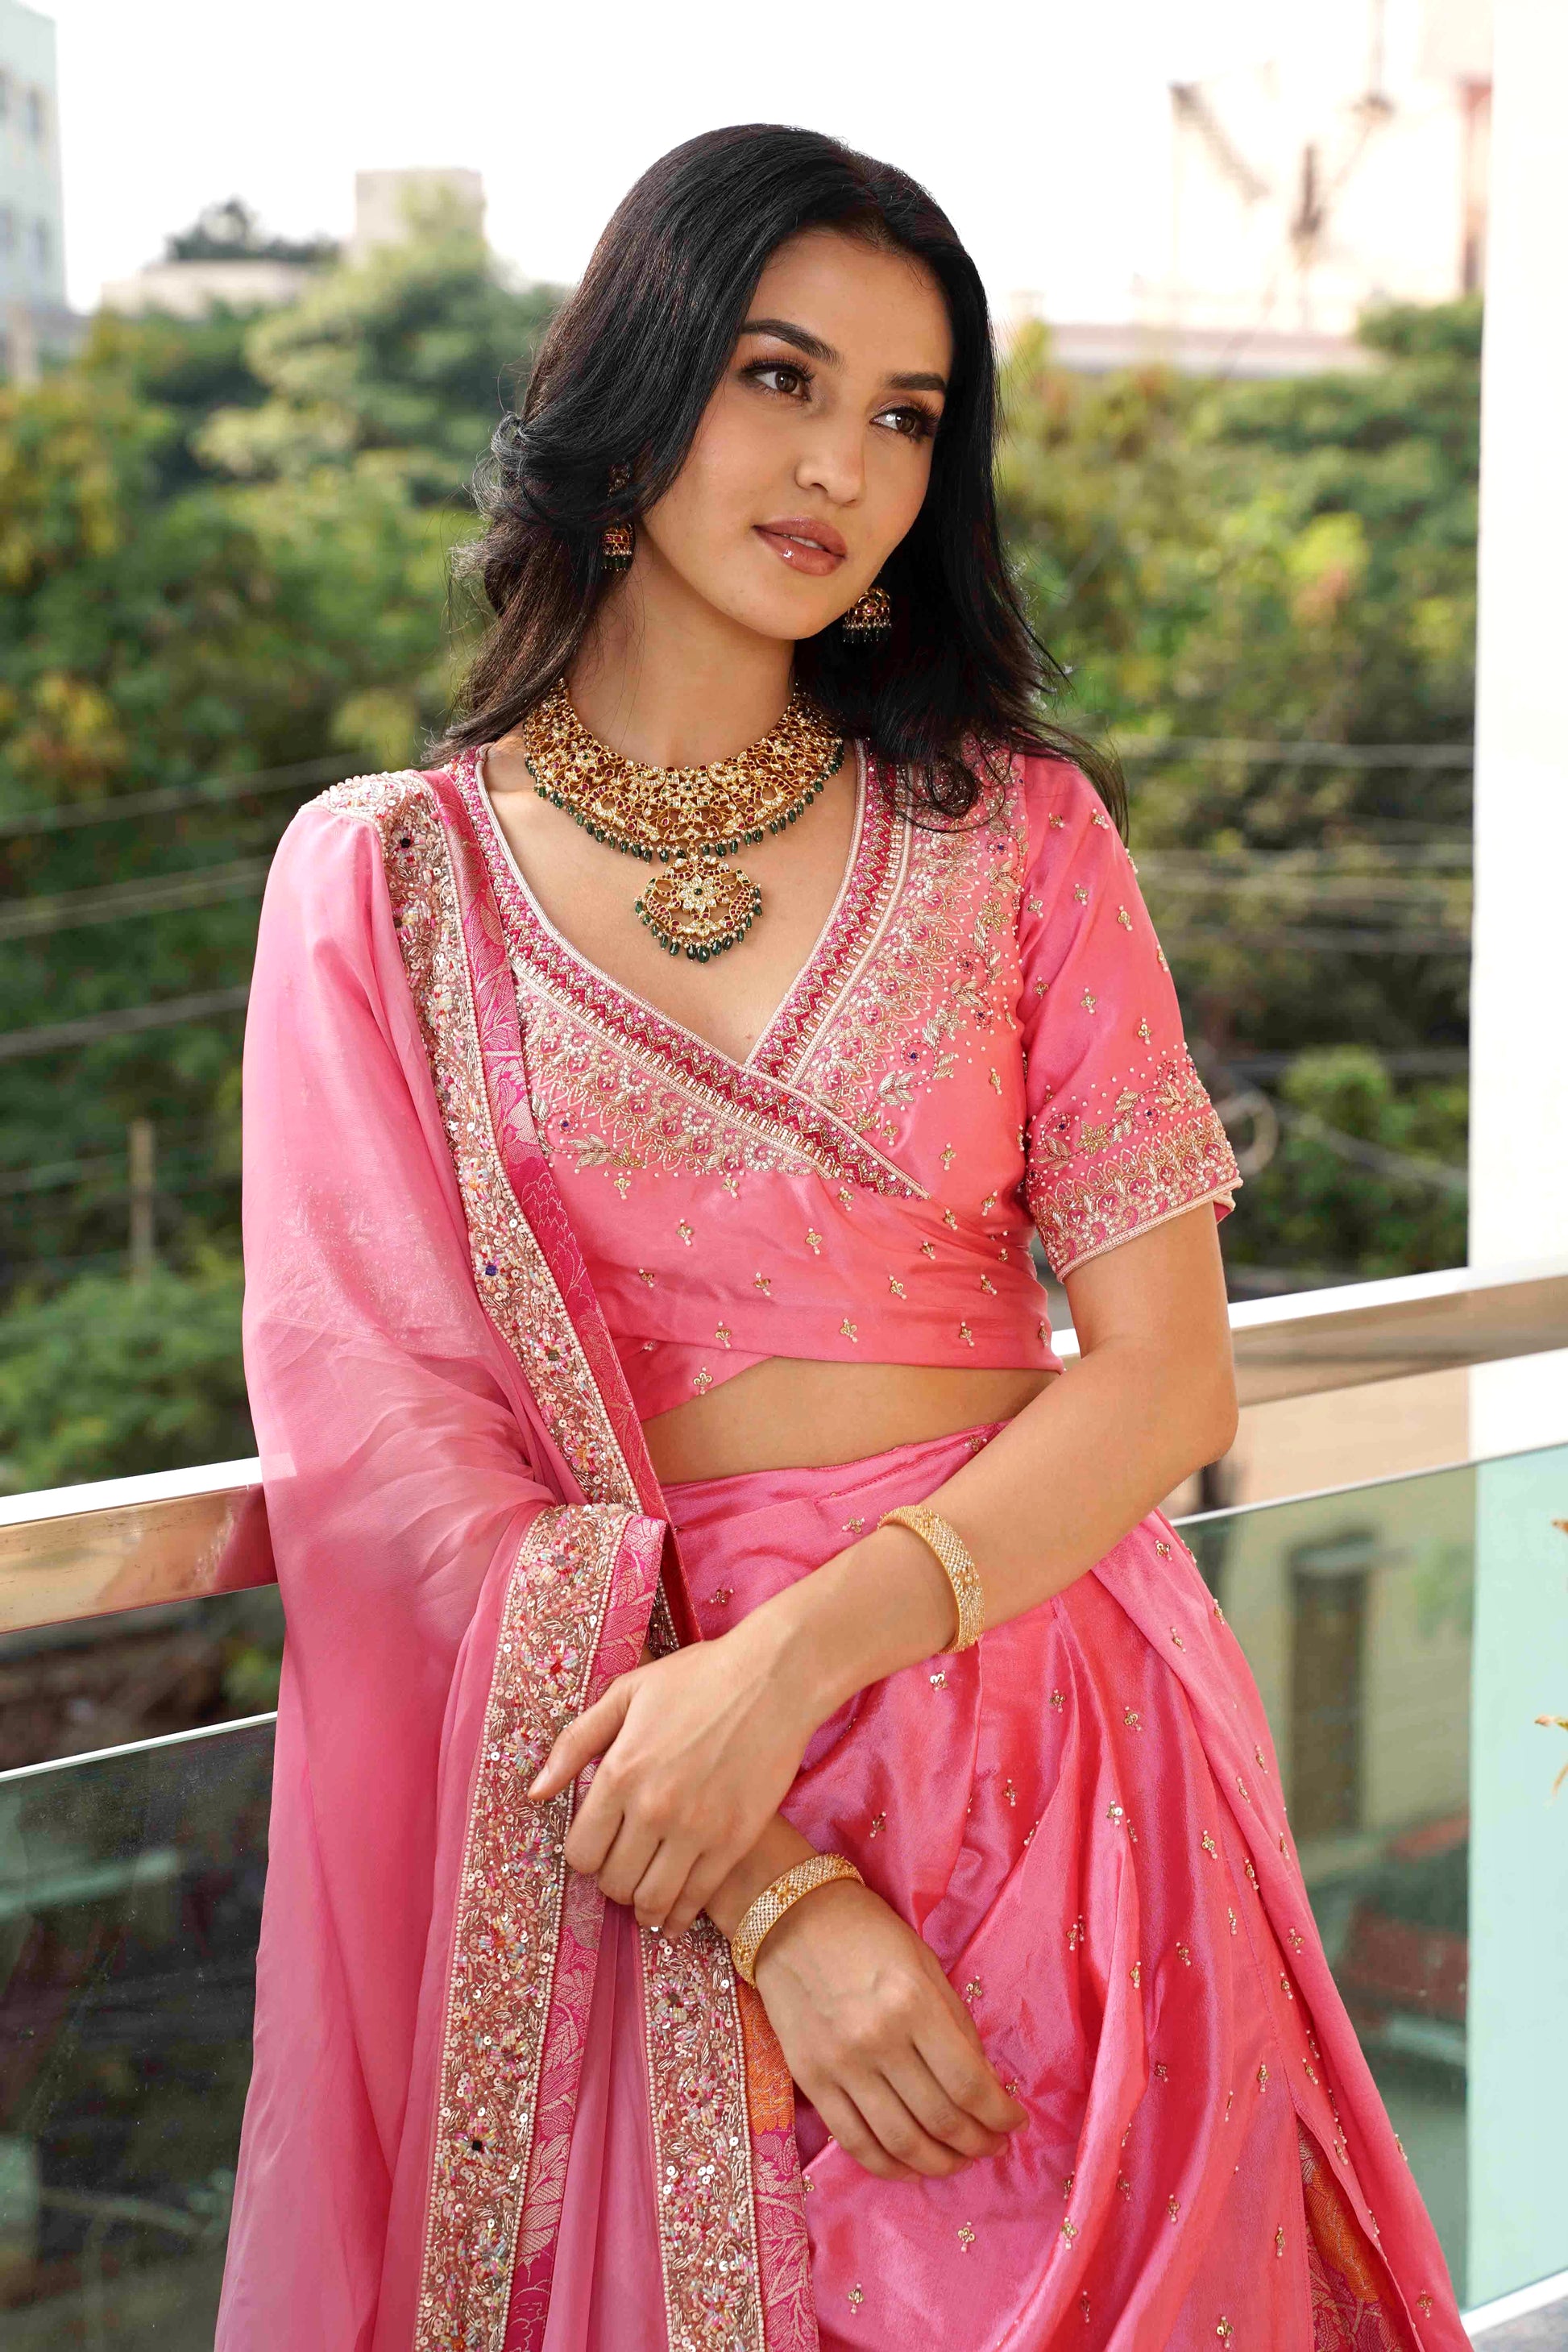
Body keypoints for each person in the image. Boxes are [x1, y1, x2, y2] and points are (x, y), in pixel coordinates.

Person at [216, 124, 1466, 2352]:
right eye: (779, 379)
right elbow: (394, 1472)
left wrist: (795, 1663)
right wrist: (770, 1882)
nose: (840, 468)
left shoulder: (1019, 835)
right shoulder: (390, 889)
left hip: (1061, 1754)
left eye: (905, 417)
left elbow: (1167, 1377)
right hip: (650, 1789)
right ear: (635, 392)